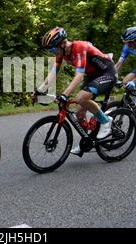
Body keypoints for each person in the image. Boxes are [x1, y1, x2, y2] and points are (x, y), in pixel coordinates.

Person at [35, 26, 117, 156]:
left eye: (53, 49)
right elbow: (53, 72)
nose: (52, 52)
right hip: (92, 76)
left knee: (81, 98)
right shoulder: (62, 53)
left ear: (62, 44)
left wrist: (65, 94)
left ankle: (106, 121)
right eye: (50, 50)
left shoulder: (79, 47)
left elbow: (79, 76)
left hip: (107, 72)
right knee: (79, 113)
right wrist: (40, 90)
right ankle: (87, 140)